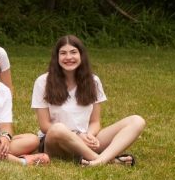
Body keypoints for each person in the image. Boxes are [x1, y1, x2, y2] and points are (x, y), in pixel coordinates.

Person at [32, 35, 145, 166]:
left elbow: (95, 122)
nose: (68, 57)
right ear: (56, 57)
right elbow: (45, 126)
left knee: (137, 121)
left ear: (81, 55)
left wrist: (89, 135)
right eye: (63, 53)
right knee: (58, 128)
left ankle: (98, 160)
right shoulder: (43, 82)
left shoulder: (93, 81)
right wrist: (77, 136)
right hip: (55, 141)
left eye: (73, 52)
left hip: (85, 139)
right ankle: (107, 161)